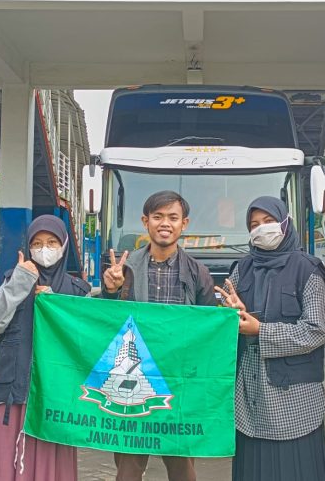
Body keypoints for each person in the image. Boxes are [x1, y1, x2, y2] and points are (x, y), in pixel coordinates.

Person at [101, 190, 216, 481]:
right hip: (133, 381)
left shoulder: (198, 273)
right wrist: (111, 291)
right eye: (158, 216)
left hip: (178, 381)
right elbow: (106, 322)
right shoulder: (124, 270)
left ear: (184, 224)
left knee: (181, 466)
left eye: (173, 217)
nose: (165, 223)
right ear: (145, 221)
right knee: (128, 466)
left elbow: (209, 330)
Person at [215, 196, 325, 481]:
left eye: (268, 222)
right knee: (252, 468)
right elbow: (229, 316)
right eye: (254, 225)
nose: (261, 229)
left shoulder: (308, 269)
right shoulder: (242, 268)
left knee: (296, 468)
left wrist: (261, 331)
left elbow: (316, 330)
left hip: (294, 396)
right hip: (250, 393)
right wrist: (232, 314)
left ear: (284, 224)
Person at [0, 215, 90, 480]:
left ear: (63, 245)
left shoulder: (77, 291)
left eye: (52, 242)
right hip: (12, 395)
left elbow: (87, 342)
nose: (44, 249)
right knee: (6, 465)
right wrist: (21, 281)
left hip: (55, 398)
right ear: (28, 247)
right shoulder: (12, 279)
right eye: (37, 243)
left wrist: (58, 306)